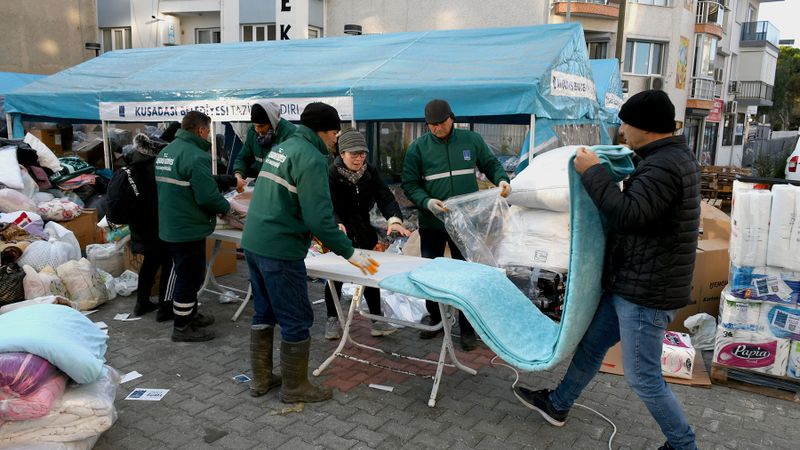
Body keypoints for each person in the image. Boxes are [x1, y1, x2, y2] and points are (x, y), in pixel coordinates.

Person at [512, 90, 700, 450]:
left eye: (626, 123)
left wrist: (594, 173)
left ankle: (683, 444)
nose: (622, 130)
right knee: (591, 346)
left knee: (643, 378)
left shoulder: (663, 167)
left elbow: (629, 215)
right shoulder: (669, 158)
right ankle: (558, 404)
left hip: (646, 294)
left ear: (646, 126)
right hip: (630, 283)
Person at [241, 102, 379, 403]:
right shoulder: (312, 158)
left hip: (253, 242)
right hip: (280, 248)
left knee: (264, 311)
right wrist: (350, 252)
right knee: (296, 317)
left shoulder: (283, 148)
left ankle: (261, 379)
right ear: (322, 131)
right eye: (335, 133)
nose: (336, 140)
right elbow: (319, 219)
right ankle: (295, 387)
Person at [401, 99, 510, 351]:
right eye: (431, 125)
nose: (436, 128)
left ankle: (467, 327)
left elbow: (491, 164)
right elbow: (410, 184)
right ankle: (436, 319)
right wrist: (427, 202)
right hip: (432, 223)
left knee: (466, 274)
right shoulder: (418, 148)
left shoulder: (471, 140)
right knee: (431, 273)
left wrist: (502, 180)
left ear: (452, 118)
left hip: (464, 223)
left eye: (441, 123)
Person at [323, 129, 412, 340]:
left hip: (363, 229)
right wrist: (335, 223)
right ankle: (332, 319)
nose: (358, 159)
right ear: (342, 154)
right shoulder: (331, 174)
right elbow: (326, 203)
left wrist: (394, 219)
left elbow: (385, 196)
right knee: (335, 277)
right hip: (340, 232)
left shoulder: (369, 171)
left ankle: (377, 321)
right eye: (353, 154)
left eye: (362, 154)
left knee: (369, 273)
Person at [156, 111, 231, 342]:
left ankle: (191, 315)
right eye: (208, 131)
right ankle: (182, 327)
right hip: (187, 227)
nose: (208, 135)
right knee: (189, 278)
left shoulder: (166, 152)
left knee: (188, 275)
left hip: (171, 224)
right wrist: (227, 208)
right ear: (200, 130)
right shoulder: (196, 156)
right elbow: (207, 196)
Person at [124, 133, 174, 322]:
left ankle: (142, 302)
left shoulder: (133, 165)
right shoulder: (153, 168)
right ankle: (165, 307)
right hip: (156, 223)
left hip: (139, 224)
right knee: (168, 262)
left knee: (150, 262)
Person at [233, 101, 297, 181]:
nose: (258, 130)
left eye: (261, 126)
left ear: (272, 123)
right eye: (255, 125)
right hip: (261, 179)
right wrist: (238, 175)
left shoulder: (289, 134)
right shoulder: (252, 132)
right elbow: (243, 158)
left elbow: (293, 167)